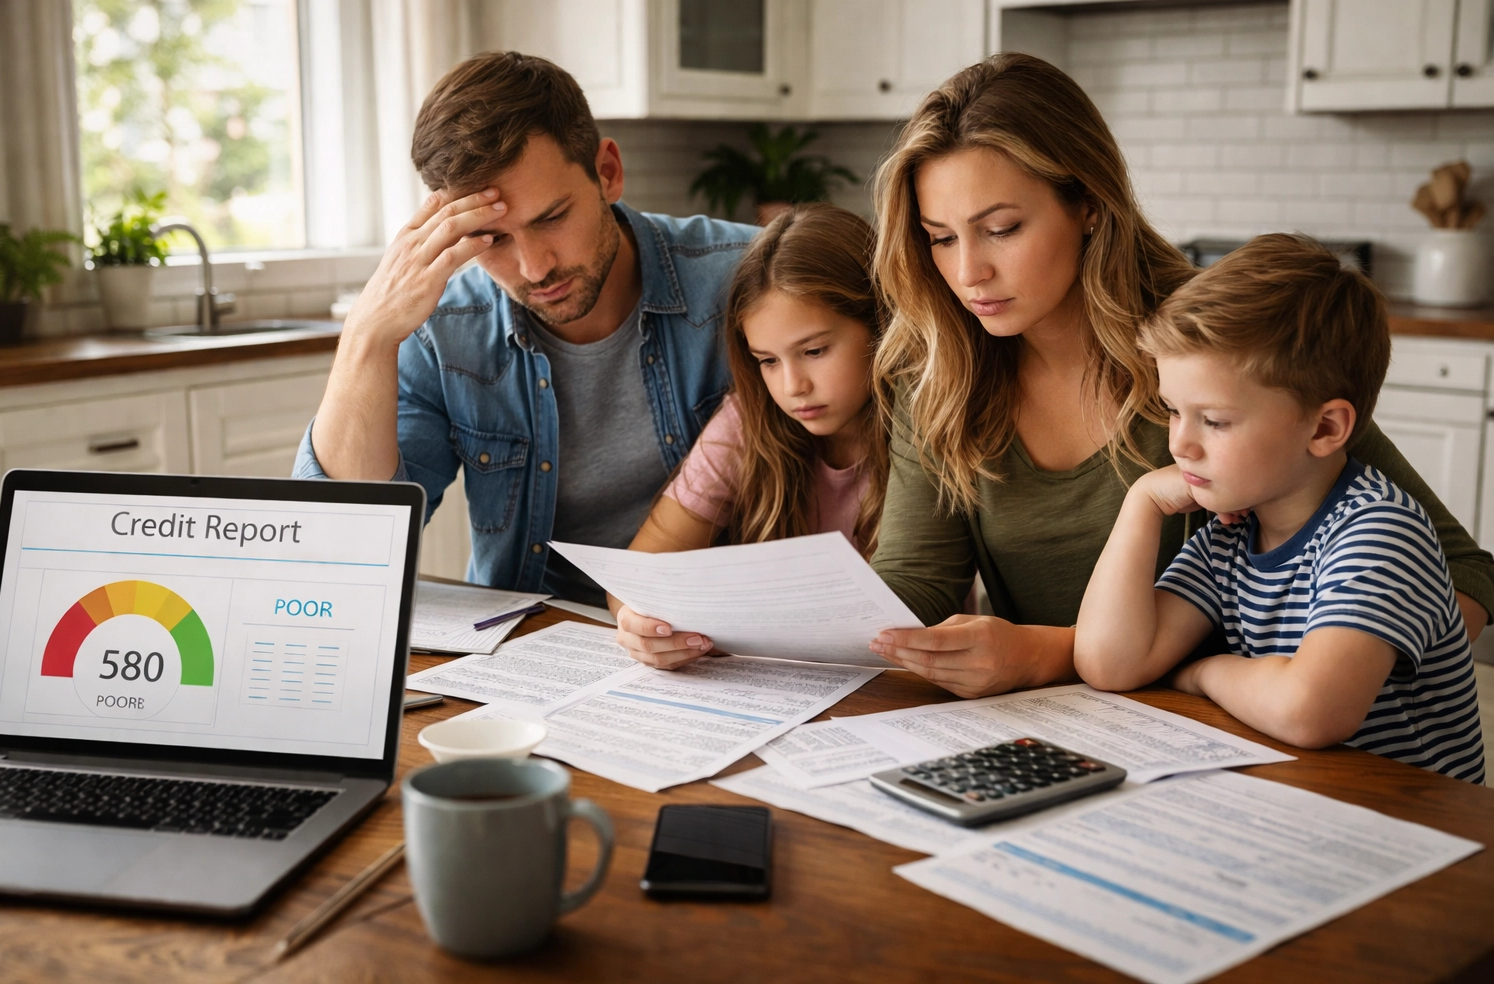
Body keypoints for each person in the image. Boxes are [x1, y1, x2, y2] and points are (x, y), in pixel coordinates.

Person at [864, 52, 1494, 698]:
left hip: (1233, 734)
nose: (969, 272)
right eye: (940, 237)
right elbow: (919, 583)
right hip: (1052, 727)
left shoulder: (1208, 344)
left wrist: (1341, 690)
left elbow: (1463, 573)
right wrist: (780, 625)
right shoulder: (938, 367)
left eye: (1001, 229)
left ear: (1088, 203)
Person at [293, 53, 757, 605]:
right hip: (533, 640)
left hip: (725, 636)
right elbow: (343, 552)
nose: (535, 268)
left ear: (607, 172)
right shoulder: (443, 331)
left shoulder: (749, 278)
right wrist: (367, 336)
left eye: (552, 217)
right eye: (494, 239)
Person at [1075, 236, 1484, 781]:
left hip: (1412, 823)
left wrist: (1204, 673)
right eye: (1173, 411)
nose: (1180, 444)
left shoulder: (1380, 532)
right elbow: (1110, 664)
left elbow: (1309, 711)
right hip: (1301, 801)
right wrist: (1141, 503)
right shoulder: (1231, 534)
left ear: (1324, 428)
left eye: (1214, 421)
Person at [612, 205, 888, 669]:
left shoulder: (927, 425)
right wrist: (640, 626)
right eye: (768, 361)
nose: (792, 386)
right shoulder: (747, 421)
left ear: (880, 325)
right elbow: (635, 580)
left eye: (815, 351)